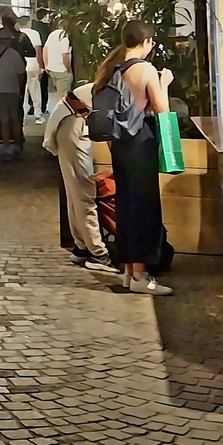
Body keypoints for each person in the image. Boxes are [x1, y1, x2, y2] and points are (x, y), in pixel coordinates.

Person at [92, 20, 174, 296]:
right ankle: (141, 275)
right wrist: (164, 83)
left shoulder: (112, 69)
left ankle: (128, 270)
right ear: (148, 42)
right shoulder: (145, 69)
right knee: (143, 206)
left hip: (121, 145)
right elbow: (161, 110)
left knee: (126, 204)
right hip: (141, 143)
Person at [41, 80, 118, 274]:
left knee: (77, 191)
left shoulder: (117, 80)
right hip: (72, 119)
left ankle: (82, 246)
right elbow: (109, 128)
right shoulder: (124, 85)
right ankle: (98, 253)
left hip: (70, 118)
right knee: (83, 192)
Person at [0, 12, 34, 158]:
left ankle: (6, 147)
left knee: (4, 121)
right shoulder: (15, 54)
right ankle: (17, 145)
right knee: (15, 120)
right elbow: (21, 75)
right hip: (14, 91)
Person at [42, 17, 74, 122]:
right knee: (63, 98)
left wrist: (46, 64)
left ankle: (57, 117)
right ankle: (58, 119)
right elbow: (64, 55)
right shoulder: (64, 37)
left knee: (59, 95)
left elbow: (45, 49)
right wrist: (69, 69)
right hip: (62, 70)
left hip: (52, 69)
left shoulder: (52, 34)